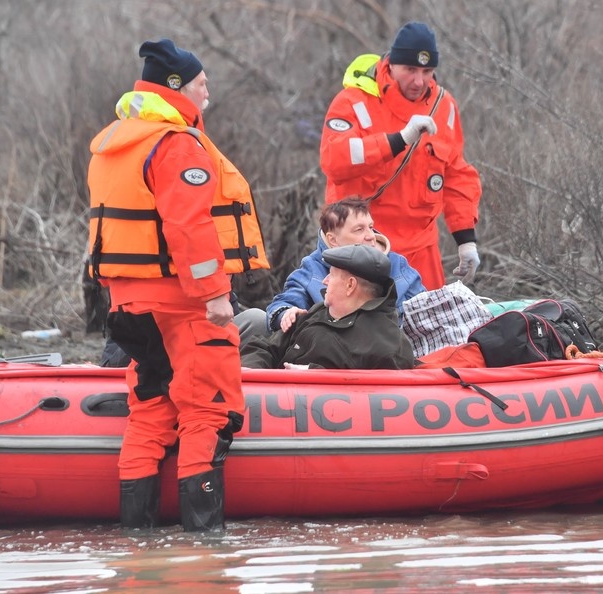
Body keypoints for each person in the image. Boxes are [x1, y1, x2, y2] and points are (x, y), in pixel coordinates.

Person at [86, 39, 249, 532]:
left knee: (151, 411)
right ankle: (205, 552)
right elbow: (190, 227)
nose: (208, 92)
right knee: (208, 412)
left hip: (129, 306)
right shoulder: (174, 142)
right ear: (176, 88)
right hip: (182, 305)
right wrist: (216, 294)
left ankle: (139, 544)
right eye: (202, 84)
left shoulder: (114, 141)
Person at [319, 21, 482, 290]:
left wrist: (466, 240)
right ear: (391, 64)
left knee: (430, 328)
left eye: (427, 71)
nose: (419, 81)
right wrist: (398, 141)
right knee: (363, 328)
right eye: (410, 70)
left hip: (422, 251)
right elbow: (334, 160)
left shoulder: (444, 106)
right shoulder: (353, 101)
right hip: (362, 247)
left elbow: (456, 175)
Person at [241, 244, 417, 370]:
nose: (324, 281)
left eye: (331, 275)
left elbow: (378, 395)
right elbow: (265, 347)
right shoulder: (317, 312)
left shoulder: (386, 343)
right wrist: (251, 369)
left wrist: (316, 375)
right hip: (272, 402)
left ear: (350, 285)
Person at [264, 197, 425, 333]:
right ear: (333, 240)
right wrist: (286, 314)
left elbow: (426, 309)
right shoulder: (312, 268)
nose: (370, 236)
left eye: (370, 227)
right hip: (331, 358)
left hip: (389, 358)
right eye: (359, 230)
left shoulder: (397, 265)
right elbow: (281, 305)